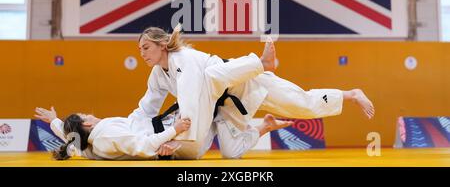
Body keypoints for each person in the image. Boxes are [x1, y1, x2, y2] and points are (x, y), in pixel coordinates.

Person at [132, 25, 375, 159]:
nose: (142, 53)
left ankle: (352, 94)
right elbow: (146, 107)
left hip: (249, 83)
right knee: (230, 153)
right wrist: (131, 130)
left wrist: (177, 137)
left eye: (146, 47)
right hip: (224, 106)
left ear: (162, 45)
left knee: (304, 104)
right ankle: (264, 126)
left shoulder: (182, 59)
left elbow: (189, 101)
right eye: (140, 49)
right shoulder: (157, 74)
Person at [34, 106, 293, 160]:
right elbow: (145, 145)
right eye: (87, 115)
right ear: (87, 124)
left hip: (175, 140)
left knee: (228, 144)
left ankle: (260, 127)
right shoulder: (107, 134)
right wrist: (174, 129)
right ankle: (257, 125)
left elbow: (71, 139)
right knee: (219, 114)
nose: (91, 114)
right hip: (177, 142)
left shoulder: (87, 143)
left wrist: (55, 121)